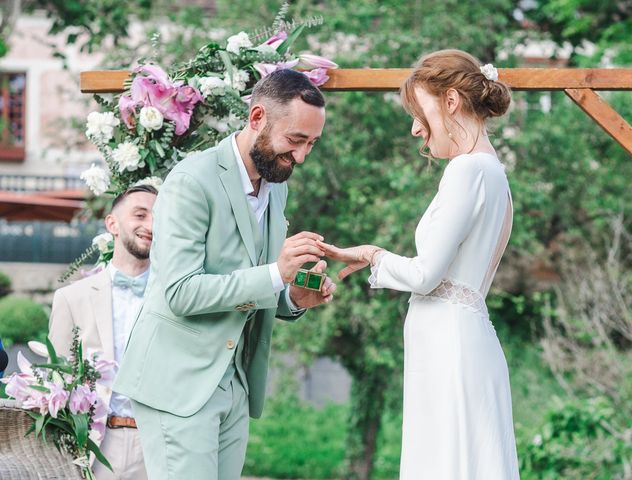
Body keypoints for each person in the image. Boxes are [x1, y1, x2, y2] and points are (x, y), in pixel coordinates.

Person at [113, 69, 336, 480]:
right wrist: (275, 274)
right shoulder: (191, 181)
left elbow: (258, 281)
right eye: (295, 140)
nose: (302, 156)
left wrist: (292, 299)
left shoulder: (277, 185)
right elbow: (180, 292)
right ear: (256, 119)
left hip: (235, 381)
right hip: (179, 384)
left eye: (312, 144)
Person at [320, 49, 519, 479]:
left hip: (452, 346)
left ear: (451, 102)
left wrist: (372, 254)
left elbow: (426, 276)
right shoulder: (493, 172)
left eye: (420, 111)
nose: (414, 128)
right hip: (457, 341)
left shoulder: (467, 171)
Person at [49, 184, 158, 480]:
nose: (150, 225)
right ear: (112, 223)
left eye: (159, 218)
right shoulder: (71, 298)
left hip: (159, 448)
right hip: (94, 446)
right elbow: (57, 379)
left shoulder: (175, 299)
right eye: (140, 215)